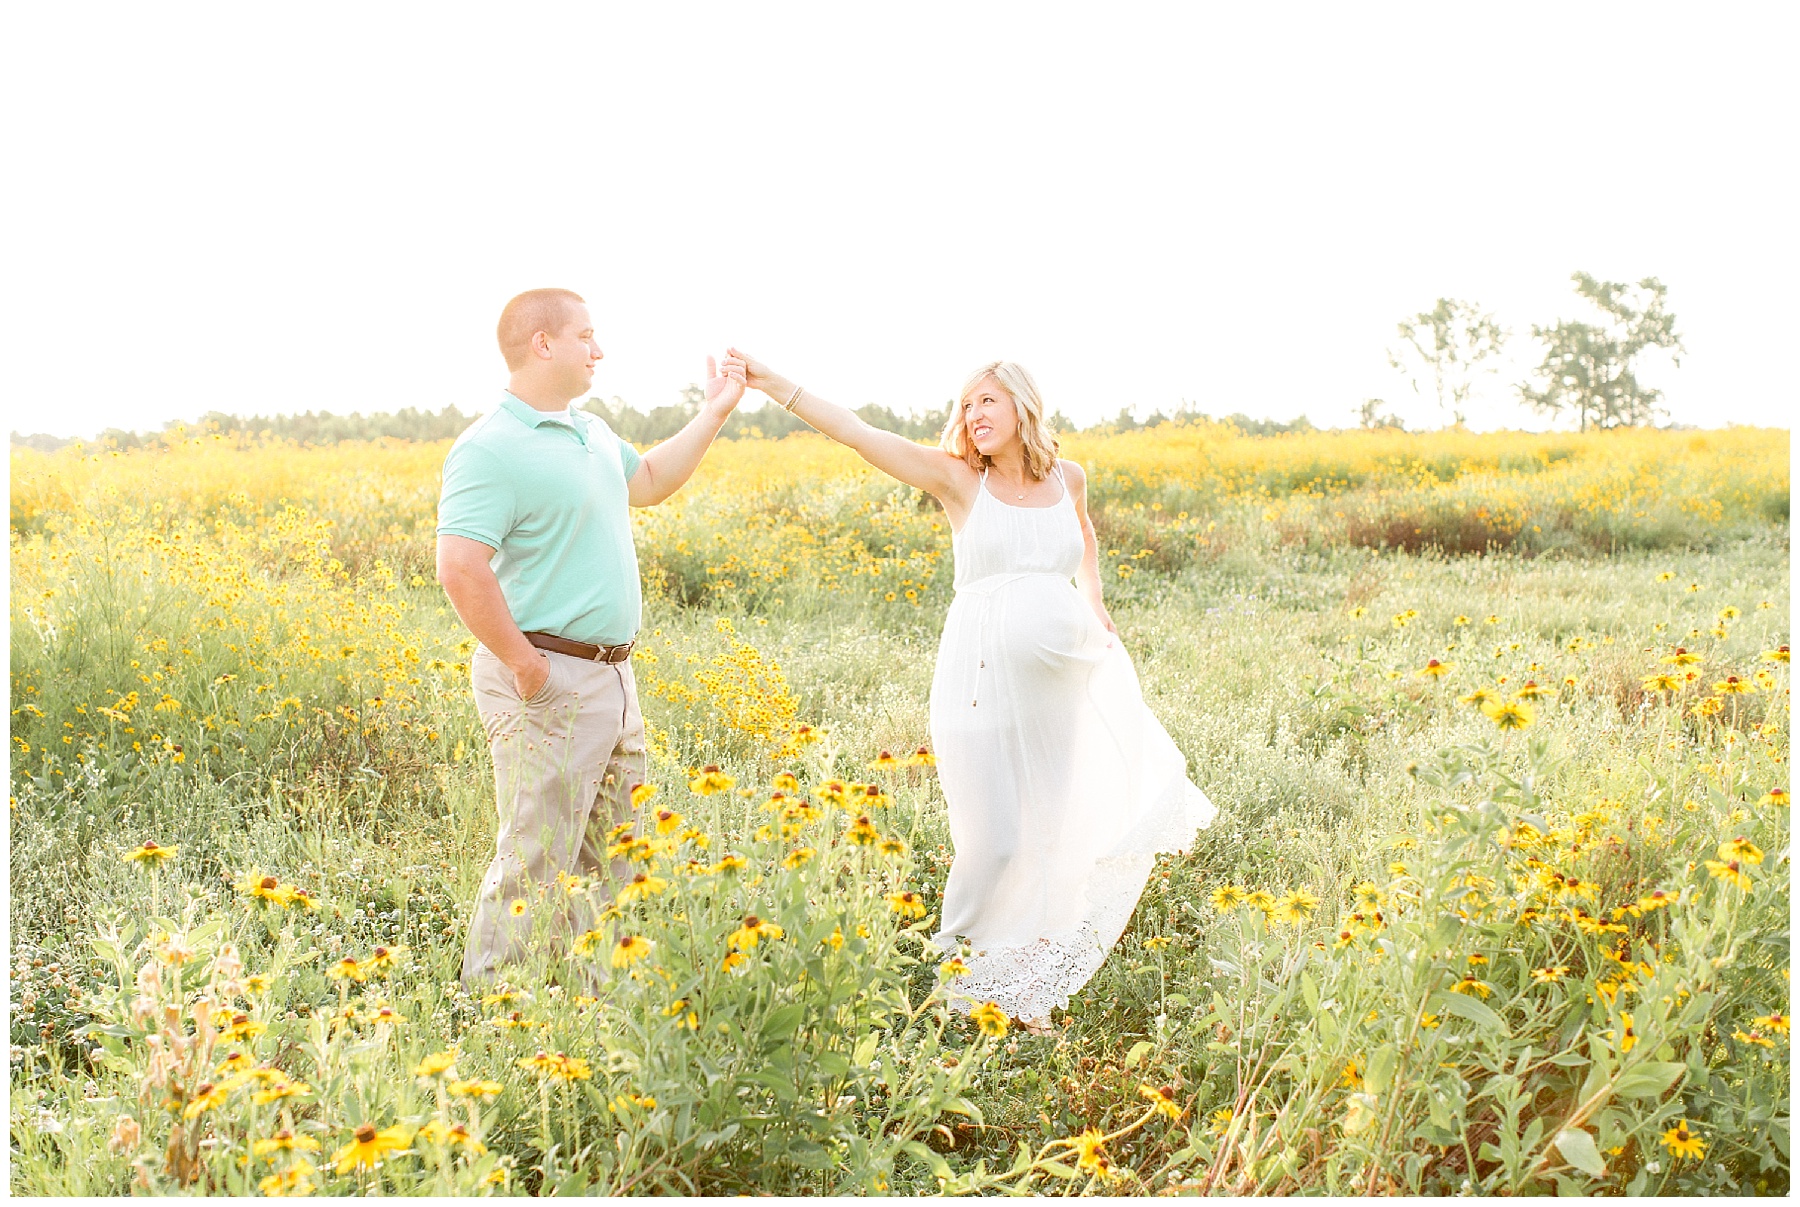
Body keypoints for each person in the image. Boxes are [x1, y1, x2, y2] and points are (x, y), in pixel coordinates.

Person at [729, 350, 1216, 1031]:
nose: (973, 414)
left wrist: (1095, 600)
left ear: (1022, 405)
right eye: (966, 404)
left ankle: (1026, 990)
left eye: (986, 400)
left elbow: (1086, 537)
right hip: (979, 681)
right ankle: (950, 975)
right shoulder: (959, 480)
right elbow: (858, 433)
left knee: (1053, 833)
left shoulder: (1068, 478)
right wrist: (771, 382)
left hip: (1059, 687)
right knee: (994, 839)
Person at [437, 288, 744, 984]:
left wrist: (713, 412)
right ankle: (494, 1006)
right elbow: (459, 567)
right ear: (542, 344)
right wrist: (525, 666)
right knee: (536, 854)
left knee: (617, 855)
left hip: (612, 676)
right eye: (586, 336)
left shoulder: (592, 430)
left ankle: (596, 1002)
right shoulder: (490, 447)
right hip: (547, 672)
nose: (598, 349)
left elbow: (655, 480)